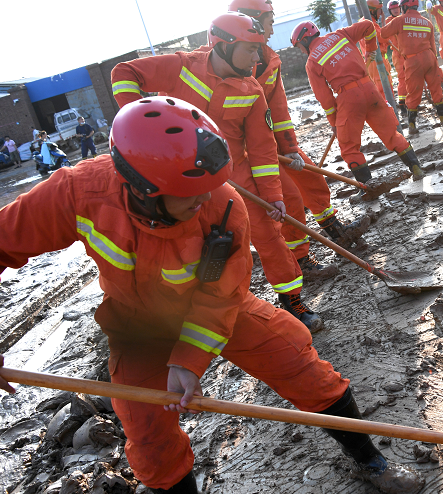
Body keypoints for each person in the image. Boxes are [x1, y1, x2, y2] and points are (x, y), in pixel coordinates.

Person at [0, 97, 425, 494]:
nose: (206, 199)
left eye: (210, 186)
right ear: (144, 188)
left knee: (298, 363)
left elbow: (222, 292)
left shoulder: (222, 204)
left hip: (218, 308)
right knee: (148, 434)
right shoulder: (77, 191)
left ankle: (370, 459)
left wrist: (188, 358)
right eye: (191, 194)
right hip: (137, 328)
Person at [112, 12, 323, 332]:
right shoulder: (181, 66)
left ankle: (292, 302)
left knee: (269, 238)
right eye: (250, 49)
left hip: (234, 178)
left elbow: (263, 150)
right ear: (224, 46)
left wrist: (272, 195)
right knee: (191, 248)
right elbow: (124, 72)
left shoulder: (251, 91)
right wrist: (138, 116)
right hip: (180, 181)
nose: (257, 56)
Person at [228, 0, 371, 253]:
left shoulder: (269, 60)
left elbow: (279, 110)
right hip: (245, 153)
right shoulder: (219, 65)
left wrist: (291, 148)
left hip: (271, 141)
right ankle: (301, 257)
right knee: (289, 200)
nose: (272, 31)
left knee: (311, 177)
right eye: (270, 23)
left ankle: (337, 232)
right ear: (250, 21)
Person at [292, 20, 425, 184]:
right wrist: (371, 50)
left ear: (304, 40)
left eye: (299, 46)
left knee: (349, 147)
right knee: (391, 134)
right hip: (370, 89)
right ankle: (416, 167)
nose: (301, 50)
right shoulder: (340, 35)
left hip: (348, 98)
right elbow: (368, 26)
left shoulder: (312, 62)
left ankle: (368, 186)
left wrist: (335, 123)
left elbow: (325, 98)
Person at [381, 0, 443, 134]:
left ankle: (412, 125)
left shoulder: (399, 20)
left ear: (405, 6)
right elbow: (433, 47)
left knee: (413, 92)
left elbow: (383, 34)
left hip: (413, 60)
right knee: (435, 88)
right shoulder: (427, 22)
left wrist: (381, 22)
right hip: (430, 57)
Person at [356, 0, 395, 103]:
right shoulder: (370, 24)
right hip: (376, 61)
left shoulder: (363, 22)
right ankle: (390, 113)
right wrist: (383, 23)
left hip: (373, 60)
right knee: (384, 89)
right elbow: (383, 37)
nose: (381, 13)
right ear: (372, 11)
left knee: (381, 87)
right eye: (379, 10)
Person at [385, 0, 409, 119]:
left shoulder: (403, 18)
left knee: (411, 77)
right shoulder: (389, 21)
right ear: (390, 11)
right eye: (393, 9)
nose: (396, 10)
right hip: (397, 54)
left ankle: (410, 102)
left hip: (407, 53)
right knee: (402, 78)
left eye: (397, 8)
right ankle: (402, 104)